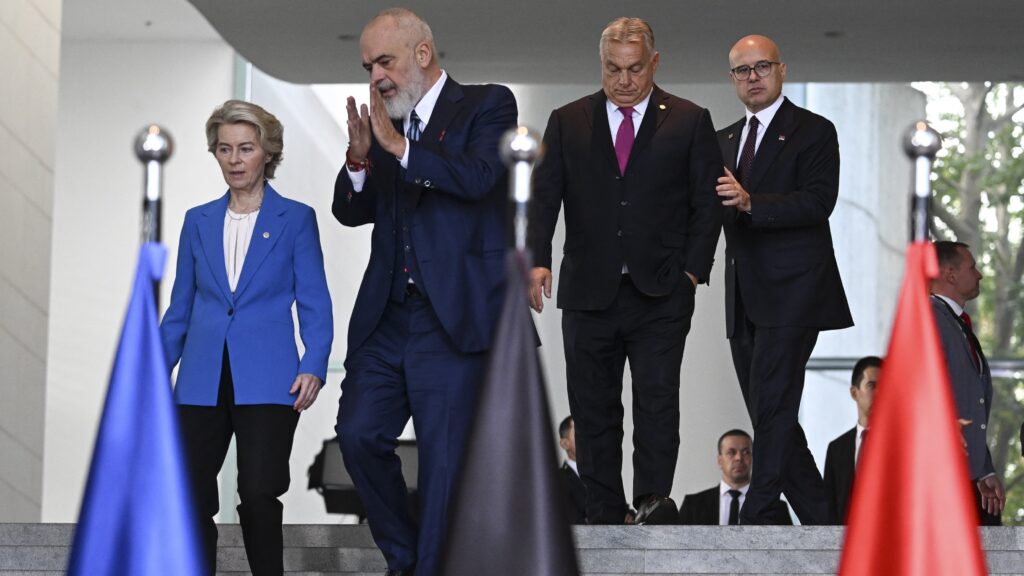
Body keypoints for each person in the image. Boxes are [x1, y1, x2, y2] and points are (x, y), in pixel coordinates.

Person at [331, 8, 517, 576]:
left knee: (443, 463)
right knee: (358, 435)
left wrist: (401, 150)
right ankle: (406, 557)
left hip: (452, 317)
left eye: (383, 61)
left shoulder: (488, 104)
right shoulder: (387, 124)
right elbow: (349, 210)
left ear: (421, 53)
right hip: (387, 318)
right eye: (367, 66)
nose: (375, 77)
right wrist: (361, 158)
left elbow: (483, 178)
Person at [528, 17, 723, 526]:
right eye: (613, 69)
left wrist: (693, 273)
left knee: (657, 400)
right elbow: (544, 198)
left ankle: (653, 499)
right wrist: (538, 260)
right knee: (593, 407)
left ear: (654, 63)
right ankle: (603, 508)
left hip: (661, 290)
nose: (624, 80)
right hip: (588, 290)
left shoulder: (688, 119)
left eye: (635, 69)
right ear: (601, 65)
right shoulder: (568, 120)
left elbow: (707, 204)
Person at [160, 99, 333, 576]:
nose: (234, 159)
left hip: (270, 377)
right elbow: (181, 308)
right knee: (191, 492)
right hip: (200, 377)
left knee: (258, 491)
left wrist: (314, 363)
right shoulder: (198, 220)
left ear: (267, 152)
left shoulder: (296, 219)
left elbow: (315, 301)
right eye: (224, 149)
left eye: (246, 148)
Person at [716, 34, 853, 525]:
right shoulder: (724, 139)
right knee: (771, 413)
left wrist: (753, 202)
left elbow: (819, 202)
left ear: (781, 70)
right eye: (742, 71)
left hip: (794, 293)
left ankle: (760, 510)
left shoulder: (814, 130)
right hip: (742, 299)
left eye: (761, 67)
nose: (752, 77)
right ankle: (821, 518)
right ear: (732, 79)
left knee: (773, 402)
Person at [930, 240, 1004, 525]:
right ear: (950, 274)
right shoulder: (931, 318)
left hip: (964, 475)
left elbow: (968, 404)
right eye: (972, 267)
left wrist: (983, 469)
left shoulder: (955, 322)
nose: (979, 274)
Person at [678, 429, 791, 525]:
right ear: (719, 460)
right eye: (731, 452)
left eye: (746, 452)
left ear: (754, 458)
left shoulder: (775, 508)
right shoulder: (693, 505)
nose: (739, 458)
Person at [823, 355, 880, 524]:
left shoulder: (903, 445)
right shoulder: (837, 449)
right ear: (854, 393)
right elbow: (830, 505)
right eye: (872, 386)